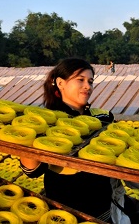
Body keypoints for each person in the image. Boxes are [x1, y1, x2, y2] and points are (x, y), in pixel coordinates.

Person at [20, 57, 117, 222]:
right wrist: (30, 137)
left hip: (101, 205)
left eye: (91, 81)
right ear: (61, 83)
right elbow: (32, 171)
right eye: (80, 80)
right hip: (63, 207)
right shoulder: (46, 123)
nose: (88, 86)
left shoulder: (104, 117)